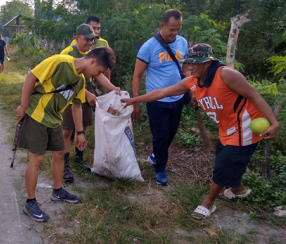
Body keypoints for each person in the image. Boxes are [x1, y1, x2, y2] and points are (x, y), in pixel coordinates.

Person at [121, 43, 279, 219]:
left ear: (208, 63)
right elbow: (161, 93)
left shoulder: (226, 74)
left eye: (196, 63)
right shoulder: (192, 82)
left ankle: (208, 203)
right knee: (224, 158)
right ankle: (238, 189)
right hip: (226, 129)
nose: (191, 67)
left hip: (245, 126)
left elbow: (254, 95)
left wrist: (273, 123)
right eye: (188, 63)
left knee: (223, 165)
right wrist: (134, 100)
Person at [16, 47, 116, 222]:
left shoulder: (80, 82)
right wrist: (24, 105)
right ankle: (30, 202)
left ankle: (58, 191)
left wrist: (80, 133)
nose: (96, 76)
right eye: (98, 71)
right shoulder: (59, 61)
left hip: (55, 119)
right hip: (37, 114)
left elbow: (76, 106)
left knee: (60, 154)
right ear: (92, 61)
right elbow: (31, 77)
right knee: (37, 159)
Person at [131, 9, 188, 186]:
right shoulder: (149, 46)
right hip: (156, 100)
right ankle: (160, 169)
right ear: (162, 26)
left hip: (177, 98)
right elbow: (137, 76)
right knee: (160, 136)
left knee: (170, 133)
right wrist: (137, 101)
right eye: (171, 29)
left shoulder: (183, 43)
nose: (174, 33)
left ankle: (156, 155)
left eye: (178, 29)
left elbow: (185, 68)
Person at [60, 24, 120, 182]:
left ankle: (79, 158)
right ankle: (65, 164)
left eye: (92, 40)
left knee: (82, 128)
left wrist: (113, 88)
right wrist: (85, 93)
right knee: (67, 131)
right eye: (86, 39)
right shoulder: (67, 53)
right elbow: (64, 80)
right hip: (70, 95)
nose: (89, 43)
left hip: (87, 96)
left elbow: (99, 75)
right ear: (76, 38)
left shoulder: (92, 54)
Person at [70, 15, 111, 91]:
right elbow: (68, 81)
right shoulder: (70, 50)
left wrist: (110, 87)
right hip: (77, 90)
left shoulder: (102, 44)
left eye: (98, 28)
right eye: (93, 28)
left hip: (92, 85)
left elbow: (102, 72)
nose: (96, 31)